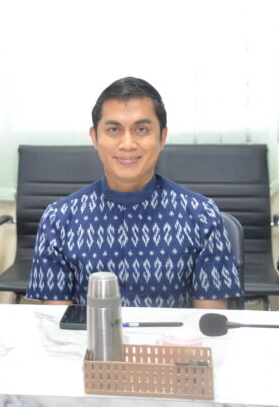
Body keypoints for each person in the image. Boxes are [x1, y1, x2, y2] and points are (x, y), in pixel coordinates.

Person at [26, 77, 242, 308]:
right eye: (113, 130)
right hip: (90, 333)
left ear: (162, 137)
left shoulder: (201, 215)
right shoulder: (59, 220)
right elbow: (58, 323)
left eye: (141, 129)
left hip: (178, 334)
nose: (127, 144)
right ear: (94, 137)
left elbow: (209, 322)